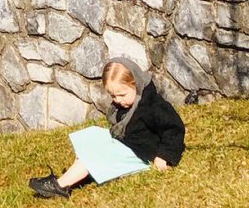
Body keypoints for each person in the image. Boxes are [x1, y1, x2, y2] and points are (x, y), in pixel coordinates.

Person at [28, 57, 186, 200]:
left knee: (97, 153)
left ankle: (60, 186)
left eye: (122, 95)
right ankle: (80, 173)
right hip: (126, 143)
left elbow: (174, 129)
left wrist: (163, 156)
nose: (117, 100)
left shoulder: (152, 106)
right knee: (90, 135)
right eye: (113, 96)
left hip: (141, 153)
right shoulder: (129, 103)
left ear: (136, 84)